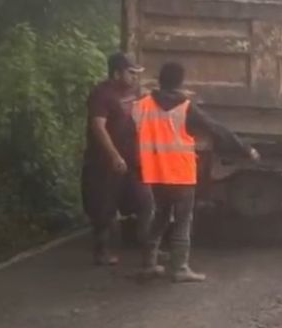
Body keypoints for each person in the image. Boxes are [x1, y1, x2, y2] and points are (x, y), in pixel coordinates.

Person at [133, 62, 258, 283]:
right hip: (180, 174)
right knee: (183, 220)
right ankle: (179, 268)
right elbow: (216, 129)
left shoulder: (142, 105)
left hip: (155, 174)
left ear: (160, 80)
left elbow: (129, 130)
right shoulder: (185, 108)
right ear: (180, 82)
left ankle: (149, 264)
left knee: (160, 217)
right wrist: (245, 149)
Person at [82, 52, 144, 266]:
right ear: (117, 73)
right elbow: (98, 127)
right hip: (104, 161)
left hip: (130, 159)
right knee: (103, 207)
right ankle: (101, 251)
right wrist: (114, 156)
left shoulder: (132, 93)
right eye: (131, 72)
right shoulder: (102, 94)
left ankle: (148, 249)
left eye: (137, 73)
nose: (135, 77)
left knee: (142, 201)